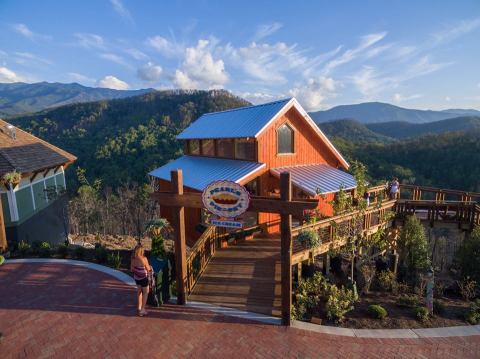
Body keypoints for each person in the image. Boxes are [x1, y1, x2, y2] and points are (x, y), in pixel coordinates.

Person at [130, 244, 152, 316]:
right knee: (146, 292)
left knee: (139, 291)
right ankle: (142, 310)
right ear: (141, 251)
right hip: (143, 278)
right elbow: (148, 269)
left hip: (137, 278)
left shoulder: (133, 259)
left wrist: (138, 270)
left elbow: (131, 269)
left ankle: (139, 307)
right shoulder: (144, 259)